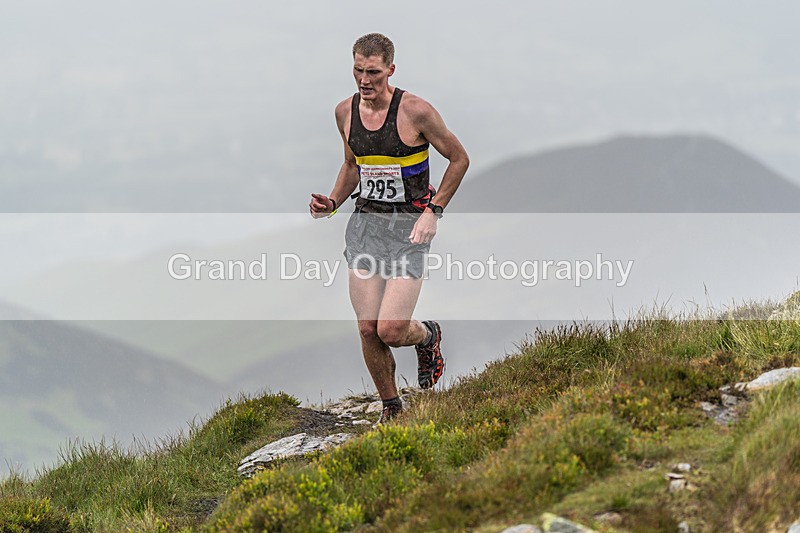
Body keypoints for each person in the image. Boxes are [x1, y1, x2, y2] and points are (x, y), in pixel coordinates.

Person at [310, 33, 469, 424]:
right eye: (358, 71)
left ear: (390, 70)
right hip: (366, 227)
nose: (365, 80)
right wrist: (332, 203)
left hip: (409, 229)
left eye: (374, 73)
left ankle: (428, 336)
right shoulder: (344, 112)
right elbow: (352, 165)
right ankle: (392, 407)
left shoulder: (416, 111)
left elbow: (460, 159)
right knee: (368, 329)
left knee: (393, 329)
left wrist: (434, 211)